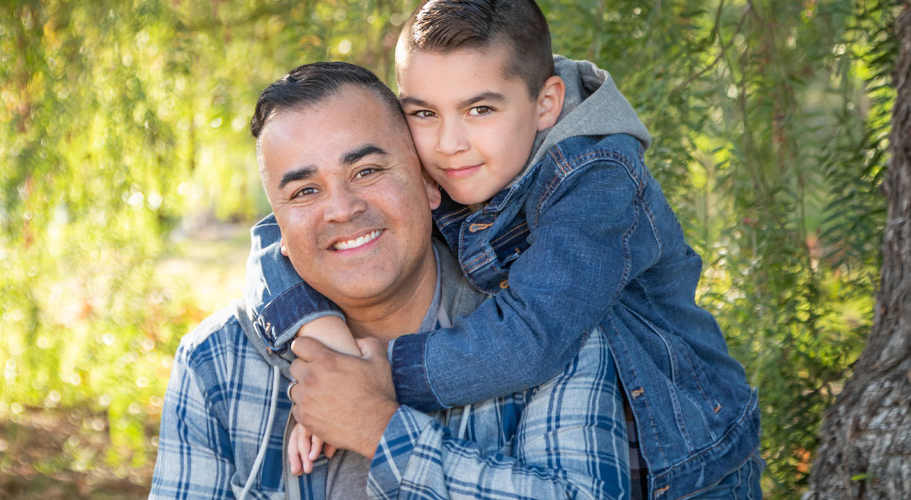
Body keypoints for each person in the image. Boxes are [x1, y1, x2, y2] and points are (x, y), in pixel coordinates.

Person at [247, 1, 763, 498]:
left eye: (480, 108)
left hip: (686, 458)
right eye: (424, 111)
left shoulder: (598, 182)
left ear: (546, 104)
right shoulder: (459, 157)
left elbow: (532, 339)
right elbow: (284, 235)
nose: (450, 142)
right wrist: (326, 342)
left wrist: (379, 373)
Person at [150, 62, 632, 499]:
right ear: (279, 226)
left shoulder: (547, 326)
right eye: (305, 191)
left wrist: (377, 429)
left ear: (428, 183)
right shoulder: (216, 363)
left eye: (367, 170)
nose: (341, 209)